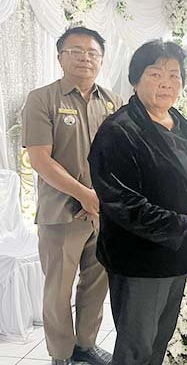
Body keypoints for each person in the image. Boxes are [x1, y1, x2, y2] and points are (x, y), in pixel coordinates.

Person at [88, 40, 187, 365]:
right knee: (135, 350)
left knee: (159, 342)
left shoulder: (179, 123)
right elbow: (125, 204)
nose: (166, 83)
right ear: (135, 78)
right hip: (140, 261)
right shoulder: (118, 131)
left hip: (176, 255)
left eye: (174, 75)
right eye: (155, 73)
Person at [22, 26, 122, 365]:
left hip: (102, 213)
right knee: (58, 289)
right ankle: (61, 354)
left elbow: (121, 157)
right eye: (76, 51)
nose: (85, 58)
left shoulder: (113, 102)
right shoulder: (42, 99)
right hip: (61, 214)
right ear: (60, 57)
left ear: (101, 60)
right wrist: (84, 194)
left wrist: (102, 199)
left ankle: (86, 345)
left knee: (96, 283)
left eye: (93, 53)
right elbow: (40, 159)